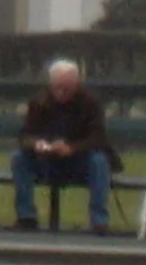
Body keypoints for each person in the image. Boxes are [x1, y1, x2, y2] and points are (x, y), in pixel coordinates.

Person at [10, 59, 118, 234]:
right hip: (46, 160)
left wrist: (72, 148)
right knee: (18, 159)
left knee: (99, 161)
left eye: (67, 88)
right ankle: (26, 215)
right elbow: (24, 135)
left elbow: (98, 138)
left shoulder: (90, 104)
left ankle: (99, 220)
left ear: (76, 85)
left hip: (79, 161)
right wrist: (38, 144)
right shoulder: (38, 102)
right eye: (57, 87)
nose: (61, 93)